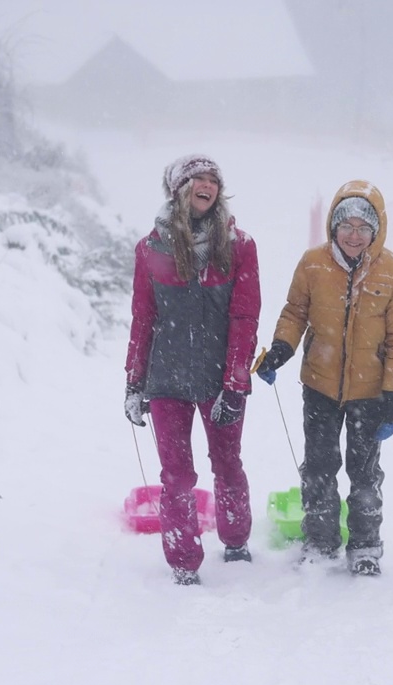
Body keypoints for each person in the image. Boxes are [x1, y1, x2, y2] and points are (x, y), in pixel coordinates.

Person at [254, 180, 393, 576]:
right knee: (319, 467)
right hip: (320, 387)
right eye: (347, 226)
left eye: (364, 227)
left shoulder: (392, 271)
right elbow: (295, 313)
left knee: (364, 473)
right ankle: (321, 541)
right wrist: (281, 348)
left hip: (370, 392)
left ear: (376, 231)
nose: (354, 235)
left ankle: (365, 546)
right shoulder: (313, 263)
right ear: (333, 226)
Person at [123, 154, 261, 586]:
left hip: (219, 378)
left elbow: (245, 317)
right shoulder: (151, 250)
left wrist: (236, 383)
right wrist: (134, 381)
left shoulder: (239, 245)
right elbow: (143, 317)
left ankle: (236, 539)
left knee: (227, 462)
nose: (206, 186)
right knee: (177, 475)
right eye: (196, 179)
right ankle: (183, 560)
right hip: (167, 379)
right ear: (178, 189)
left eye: (212, 180)